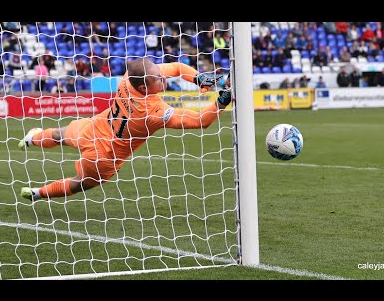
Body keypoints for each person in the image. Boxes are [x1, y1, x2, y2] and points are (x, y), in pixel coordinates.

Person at [18, 58, 230, 201]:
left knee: (61, 134)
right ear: (144, 88)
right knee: (82, 183)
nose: (163, 78)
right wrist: (221, 103)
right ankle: (38, 193)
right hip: (105, 155)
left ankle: (31, 139)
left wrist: (198, 78)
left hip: (95, 127)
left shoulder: (129, 79)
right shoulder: (153, 113)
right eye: (158, 78)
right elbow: (201, 121)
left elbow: (174, 68)